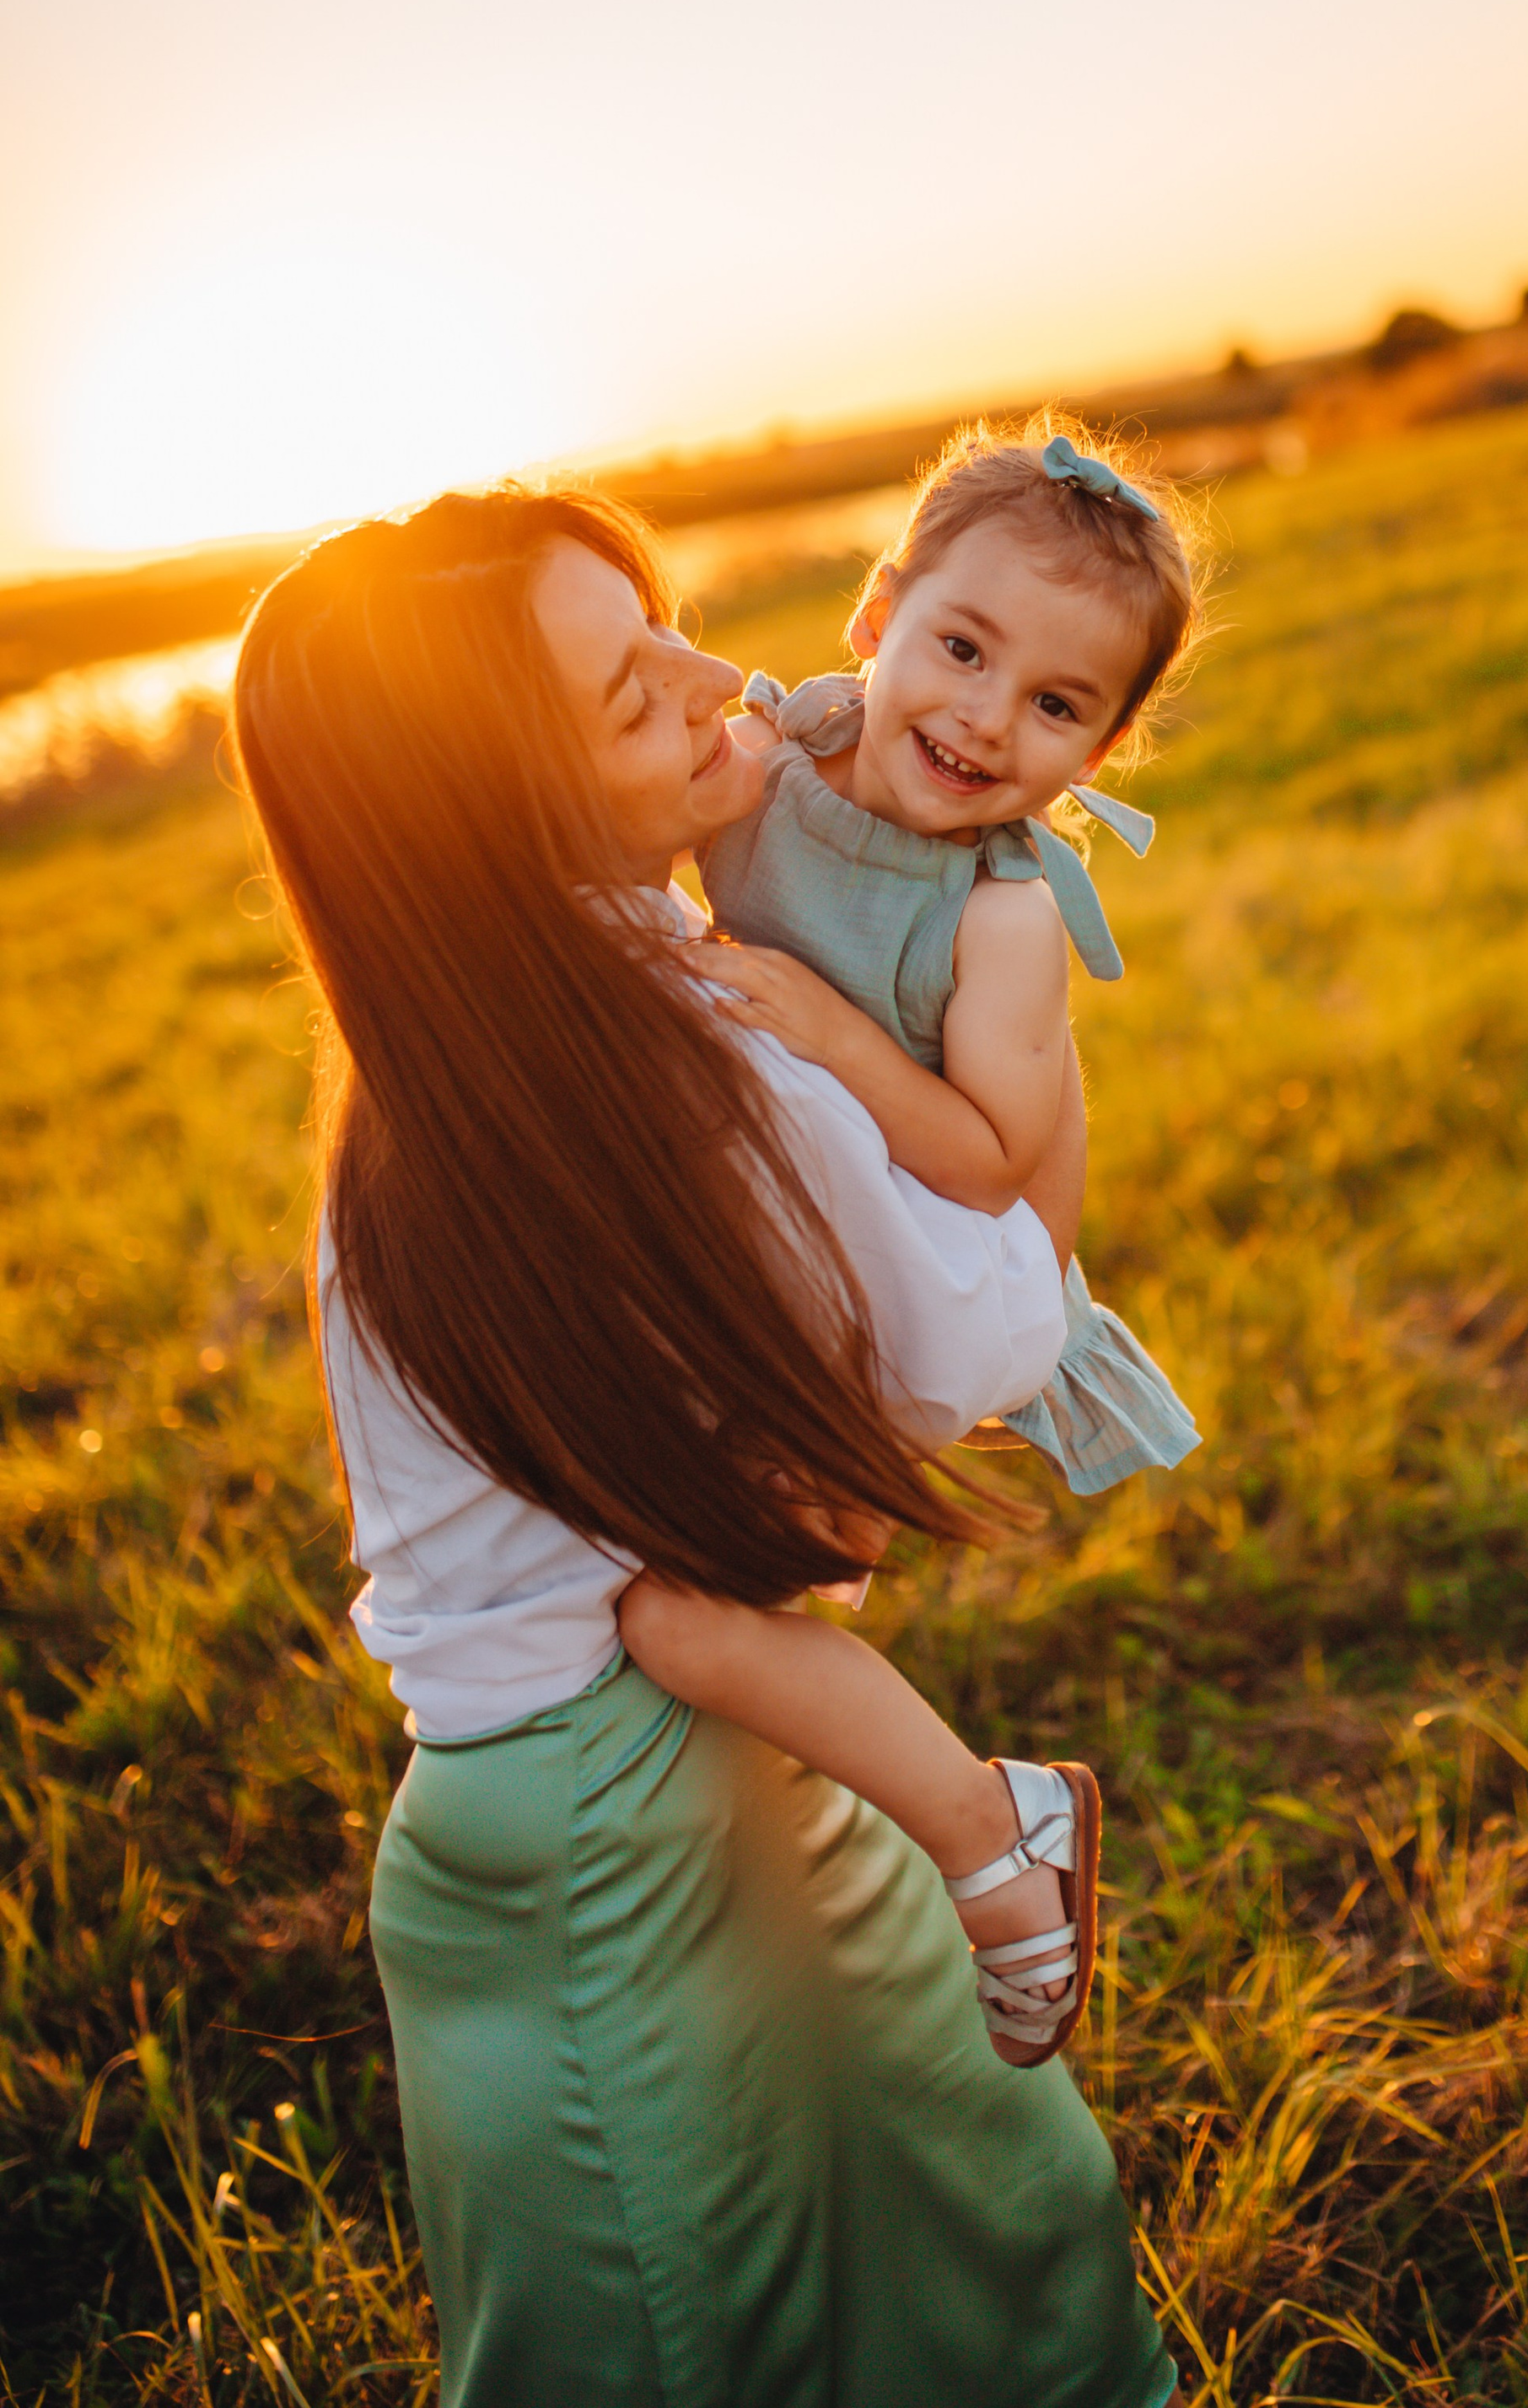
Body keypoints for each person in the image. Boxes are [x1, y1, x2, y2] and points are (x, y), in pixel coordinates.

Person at [232, 482, 1175, 2408]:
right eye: (627, 689)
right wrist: (1029, 1085)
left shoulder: (448, 1065)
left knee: (959, 2219)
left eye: (662, 620)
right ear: (490, 804)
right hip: (606, 1845)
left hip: (635, 1785)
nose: (708, 673)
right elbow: (992, 1313)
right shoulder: (695, 1038)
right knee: (827, 2294)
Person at [621, 421, 1206, 2062]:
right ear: (874, 616)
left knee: (695, 1611)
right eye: (961, 649)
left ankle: (991, 1837)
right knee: (720, 1602)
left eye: (1056, 705)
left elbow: (986, 1158)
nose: (985, 719)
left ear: (1100, 751)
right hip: (814, 1252)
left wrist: (822, 1027)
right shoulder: (776, 756)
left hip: (942, 1283)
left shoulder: (1001, 917)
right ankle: (820, 1854)